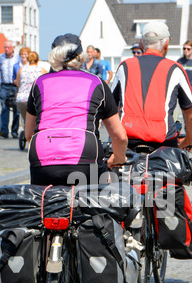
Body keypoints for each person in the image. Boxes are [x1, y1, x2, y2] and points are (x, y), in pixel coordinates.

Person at [25, 33, 127, 186]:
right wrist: (119, 158)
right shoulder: (97, 83)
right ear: (81, 57)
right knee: (93, 203)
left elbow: (28, 134)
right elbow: (119, 136)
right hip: (85, 156)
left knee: (44, 203)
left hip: (43, 157)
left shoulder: (39, 83)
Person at [111, 21, 192, 150]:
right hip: (164, 140)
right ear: (166, 44)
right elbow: (191, 113)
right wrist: (190, 140)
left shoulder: (125, 66)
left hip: (128, 138)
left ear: (141, 43)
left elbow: (111, 107)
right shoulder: (175, 69)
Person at [0, 40, 20, 138]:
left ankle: (14, 131)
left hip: (15, 86)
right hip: (4, 86)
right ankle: (4, 130)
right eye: (5, 47)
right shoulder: (0, 58)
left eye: (8, 47)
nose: (6, 49)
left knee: (17, 109)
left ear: (13, 48)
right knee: (4, 108)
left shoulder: (18, 58)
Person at [15, 51, 47, 123]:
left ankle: (26, 133)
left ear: (28, 59)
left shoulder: (21, 69)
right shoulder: (41, 70)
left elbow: (18, 84)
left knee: (26, 122)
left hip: (22, 99)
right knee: (36, 122)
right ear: (37, 59)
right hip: (35, 99)